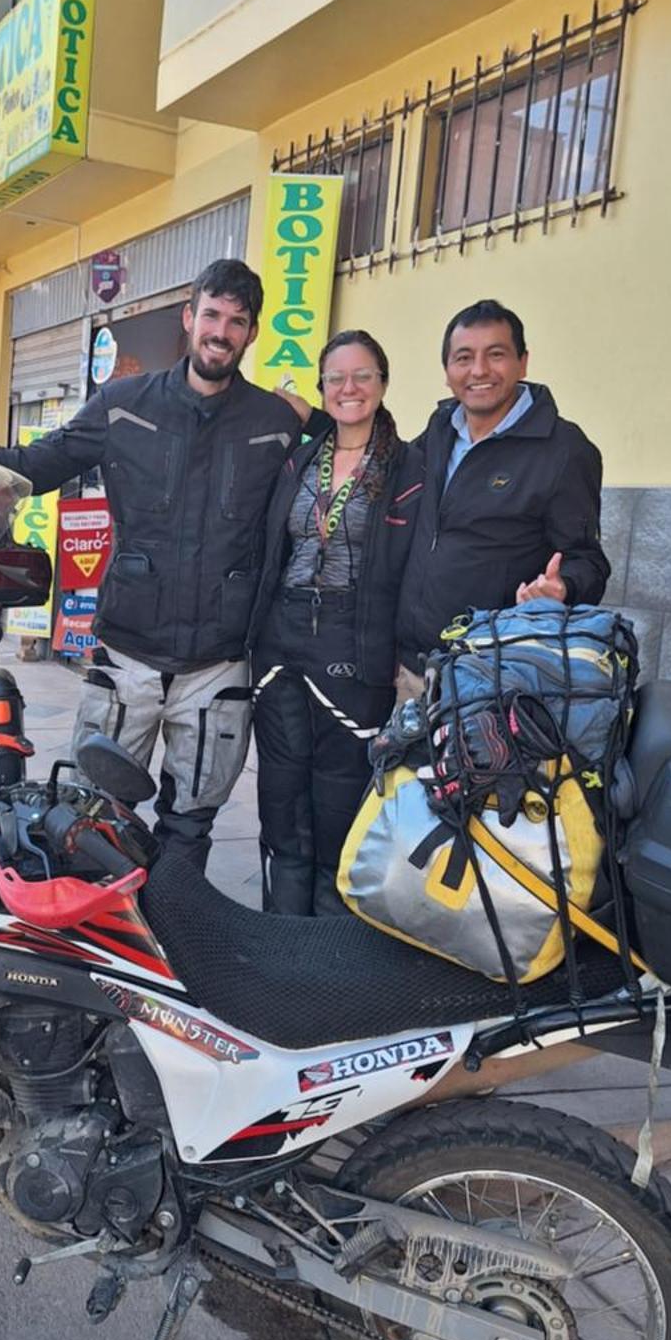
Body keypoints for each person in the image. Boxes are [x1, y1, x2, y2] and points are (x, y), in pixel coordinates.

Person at [0, 259, 309, 867]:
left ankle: (176, 938)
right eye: (211, 315)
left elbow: (347, 460)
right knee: (91, 816)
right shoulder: (122, 405)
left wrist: (321, 414)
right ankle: (98, 944)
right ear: (188, 317)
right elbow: (36, 463)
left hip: (218, 664)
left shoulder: (277, 423)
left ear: (252, 333)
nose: (220, 332)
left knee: (190, 827)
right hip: (128, 657)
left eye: (236, 321)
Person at [248, 331, 423, 915]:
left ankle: (329, 942)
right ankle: (280, 933)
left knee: (339, 798)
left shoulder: (411, 466)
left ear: (383, 383)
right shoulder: (298, 454)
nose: (349, 388)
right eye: (336, 378)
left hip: (355, 642)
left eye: (363, 376)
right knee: (280, 790)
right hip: (281, 637)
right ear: (321, 388)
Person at [396, 299, 610, 678]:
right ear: (447, 370)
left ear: (522, 362)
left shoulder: (563, 451)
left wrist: (565, 588)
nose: (479, 370)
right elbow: (385, 460)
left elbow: (588, 561)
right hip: (409, 664)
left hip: (489, 673)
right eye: (463, 358)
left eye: (496, 354)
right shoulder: (440, 430)